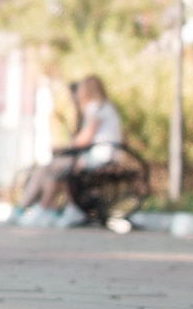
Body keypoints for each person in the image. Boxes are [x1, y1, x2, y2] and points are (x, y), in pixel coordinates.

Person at [14, 74, 123, 226]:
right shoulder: (104, 106)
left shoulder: (96, 107)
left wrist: (68, 146)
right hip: (104, 154)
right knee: (51, 168)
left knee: (55, 168)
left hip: (101, 156)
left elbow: (86, 137)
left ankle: (44, 209)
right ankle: (47, 209)